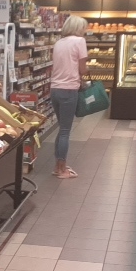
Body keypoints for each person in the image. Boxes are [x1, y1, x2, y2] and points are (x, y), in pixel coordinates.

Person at [49, 15, 89, 179]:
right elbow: (82, 69)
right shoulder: (80, 41)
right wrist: (87, 70)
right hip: (69, 89)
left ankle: (58, 166)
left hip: (55, 89)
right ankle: (62, 169)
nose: (84, 31)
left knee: (62, 128)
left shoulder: (59, 42)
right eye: (84, 28)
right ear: (79, 28)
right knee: (65, 131)